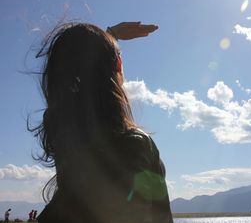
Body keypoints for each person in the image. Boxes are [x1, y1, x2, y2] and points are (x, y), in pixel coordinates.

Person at [30, 22, 173, 223]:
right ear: (118, 66)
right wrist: (110, 41)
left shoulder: (63, 135)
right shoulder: (136, 145)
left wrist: (109, 38)